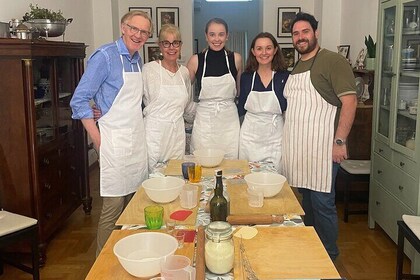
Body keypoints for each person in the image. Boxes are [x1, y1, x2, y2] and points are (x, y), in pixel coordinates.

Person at [70, 11, 152, 256]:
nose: (138, 35)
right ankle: (101, 266)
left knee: (133, 205)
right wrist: (97, 139)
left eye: (144, 32)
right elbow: (79, 100)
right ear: (123, 27)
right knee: (113, 207)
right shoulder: (105, 56)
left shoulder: (137, 59)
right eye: (133, 28)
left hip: (135, 140)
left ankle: (128, 256)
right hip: (113, 141)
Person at [282, 12, 357, 260]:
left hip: (323, 147)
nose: (301, 37)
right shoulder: (297, 65)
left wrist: (340, 142)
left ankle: (329, 257)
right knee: (308, 202)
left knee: (323, 203)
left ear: (315, 32)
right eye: (296, 33)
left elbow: (349, 102)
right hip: (301, 147)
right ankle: (310, 253)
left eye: (305, 31)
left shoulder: (332, 61)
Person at [187, 18, 242, 159]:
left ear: (227, 36)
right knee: (203, 161)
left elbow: (239, 90)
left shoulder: (236, 59)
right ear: (206, 36)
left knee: (230, 163)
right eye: (212, 34)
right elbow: (183, 92)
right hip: (205, 121)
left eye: (221, 34)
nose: (217, 39)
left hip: (229, 121)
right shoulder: (195, 60)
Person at [142, 24, 195, 172]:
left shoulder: (184, 72)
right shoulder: (149, 70)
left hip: (177, 133)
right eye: (166, 43)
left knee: (176, 175)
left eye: (175, 43)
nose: (171, 48)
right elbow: (133, 100)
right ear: (160, 45)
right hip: (155, 133)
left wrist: (208, 109)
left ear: (180, 45)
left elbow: (188, 105)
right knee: (154, 178)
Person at [237, 32, 288, 171]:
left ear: (275, 50)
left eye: (268, 48)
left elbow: (288, 109)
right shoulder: (246, 77)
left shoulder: (285, 76)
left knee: (273, 178)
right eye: (259, 48)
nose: (264, 53)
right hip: (250, 136)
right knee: (247, 177)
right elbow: (241, 108)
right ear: (253, 51)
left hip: (275, 136)